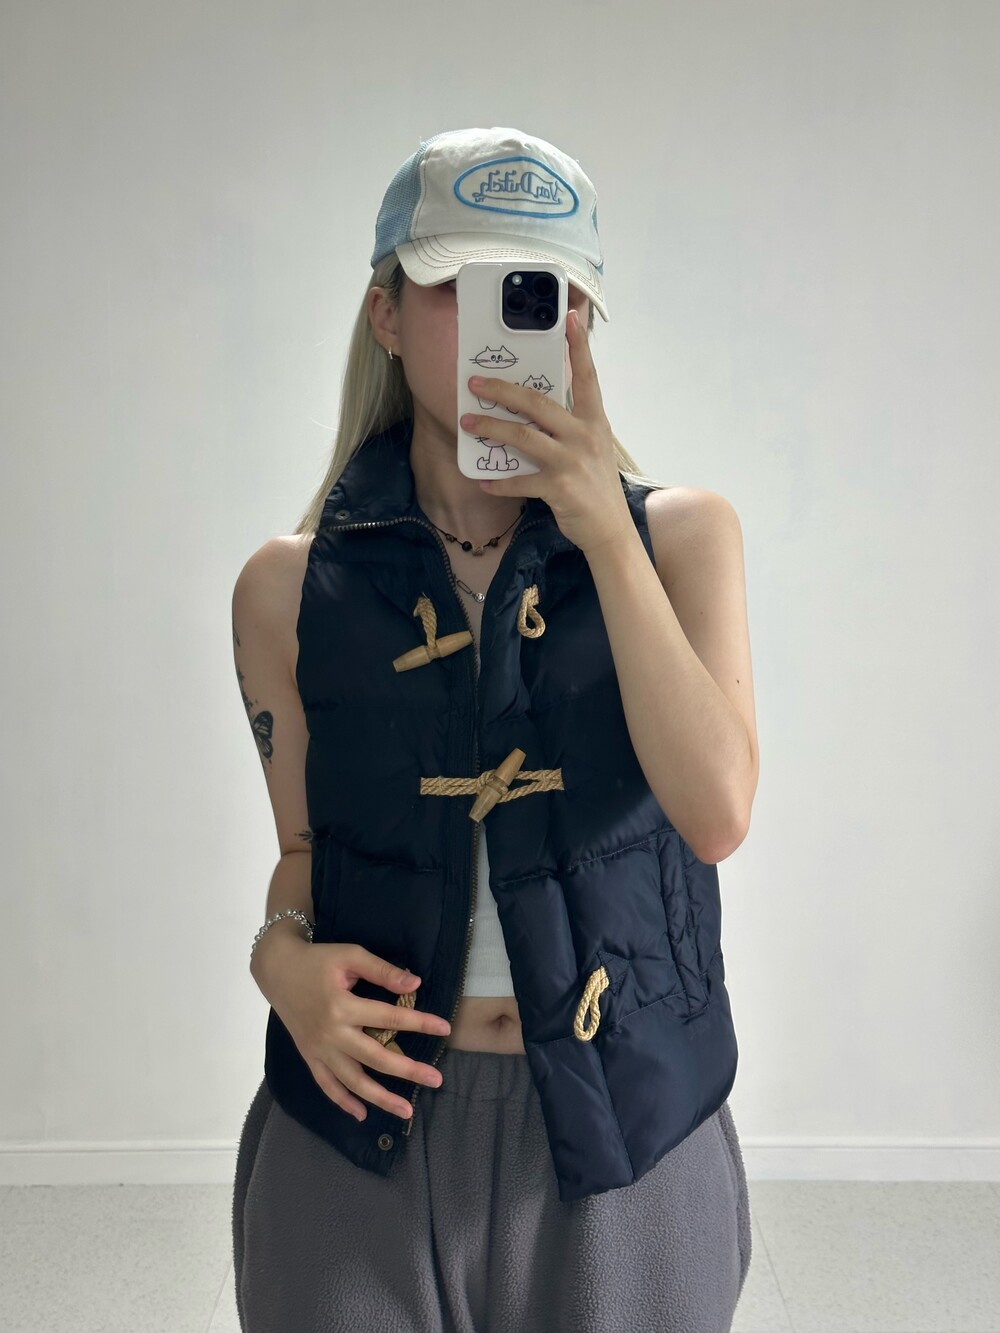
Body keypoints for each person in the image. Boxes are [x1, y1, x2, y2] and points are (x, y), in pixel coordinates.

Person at [230, 126, 757, 1333]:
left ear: (582, 323)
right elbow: (303, 858)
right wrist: (279, 964)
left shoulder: (682, 540)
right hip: (358, 1126)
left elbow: (716, 812)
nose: (499, 328)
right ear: (383, 313)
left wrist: (602, 530)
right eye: (458, 289)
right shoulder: (285, 588)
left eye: (539, 293)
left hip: (627, 1128)